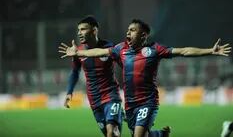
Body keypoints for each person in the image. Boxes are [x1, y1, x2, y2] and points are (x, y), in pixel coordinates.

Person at [59, 19, 232, 137]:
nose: (128, 32)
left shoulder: (155, 50)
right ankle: (160, 134)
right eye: (128, 30)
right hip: (130, 104)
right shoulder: (121, 49)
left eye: (133, 30)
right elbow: (99, 51)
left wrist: (210, 50)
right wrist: (78, 53)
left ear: (143, 35)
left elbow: (184, 51)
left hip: (148, 102)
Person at [61, 16, 123, 137]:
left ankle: (117, 116)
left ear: (94, 30)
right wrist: (69, 92)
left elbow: (125, 66)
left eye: (83, 29)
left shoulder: (109, 47)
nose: (79, 33)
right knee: (107, 133)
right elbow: (74, 72)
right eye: (78, 30)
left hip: (111, 95)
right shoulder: (78, 52)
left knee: (112, 132)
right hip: (94, 99)